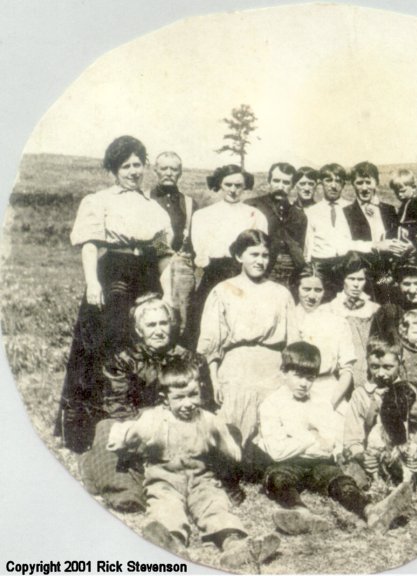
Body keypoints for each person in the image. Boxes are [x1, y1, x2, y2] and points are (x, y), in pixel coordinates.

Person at [55, 135, 173, 453]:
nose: (134, 171)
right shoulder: (100, 200)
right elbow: (91, 244)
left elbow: (164, 254)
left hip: (147, 273)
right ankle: (89, 428)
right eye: (126, 166)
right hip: (114, 274)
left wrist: (169, 292)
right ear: (113, 169)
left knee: (146, 342)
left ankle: (141, 420)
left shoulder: (153, 207)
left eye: (138, 164)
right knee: (106, 345)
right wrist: (93, 283)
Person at [106, 356, 280, 570]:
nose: (188, 403)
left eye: (193, 395)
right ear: (164, 398)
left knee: (215, 505)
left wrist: (227, 447)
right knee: (166, 508)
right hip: (165, 481)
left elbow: (232, 450)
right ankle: (172, 545)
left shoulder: (208, 420)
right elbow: (125, 435)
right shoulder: (153, 420)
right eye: (179, 398)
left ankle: (234, 545)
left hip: (201, 480)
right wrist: (120, 437)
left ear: (201, 390)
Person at [256, 342, 414, 535]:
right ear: (283, 372)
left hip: (319, 463)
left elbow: (330, 443)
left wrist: (300, 440)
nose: (304, 384)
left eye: (310, 378)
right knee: (277, 478)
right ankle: (301, 513)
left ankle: (372, 511)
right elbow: (277, 451)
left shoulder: (320, 402)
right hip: (287, 464)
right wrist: (311, 437)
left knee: (341, 481)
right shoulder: (271, 405)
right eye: (298, 376)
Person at [79, 295, 207, 513]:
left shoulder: (190, 359)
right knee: (106, 429)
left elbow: (202, 402)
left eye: (163, 323)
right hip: (136, 422)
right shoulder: (123, 360)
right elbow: (117, 404)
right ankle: (124, 491)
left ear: (171, 325)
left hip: (180, 422)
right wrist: (148, 424)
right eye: (151, 325)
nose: (158, 330)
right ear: (140, 331)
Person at [197, 229, 298, 447]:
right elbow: (211, 342)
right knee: (231, 440)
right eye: (254, 254)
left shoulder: (281, 293)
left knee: (271, 437)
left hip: (272, 369)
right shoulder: (223, 290)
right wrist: (215, 381)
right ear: (239, 256)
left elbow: (293, 343)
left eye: (265, 255)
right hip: (236, 370)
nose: (260, 261)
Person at [190, 165, 267, 343]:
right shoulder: (203, 215)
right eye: (228, 184)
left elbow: (261, 248)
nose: (233, 190)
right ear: (220, 184)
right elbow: (200, 250)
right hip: (214, 273)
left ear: (245, 186)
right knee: (205, 319)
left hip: (243, 273)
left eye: (238, 185)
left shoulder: (254, 215)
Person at [304, 163, 394, 298]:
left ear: (344, 184)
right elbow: (308, 246)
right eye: (328, 180)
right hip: (321, 269)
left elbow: (359, 237)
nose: (333, 186)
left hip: (347, 268)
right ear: (320, 183)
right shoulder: (311, 211)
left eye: (338, 181)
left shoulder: (350, 209)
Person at [293, 264, 356, 434]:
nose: (312, 296)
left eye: (318, 290)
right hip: (291, 391)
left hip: (328, 392)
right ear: (296, 287)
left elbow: (346, 370)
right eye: (306, 289)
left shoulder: (337, 323)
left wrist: (330, 403)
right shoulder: (287, 318)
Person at [150, 152, 198, 348]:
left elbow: (195, 236)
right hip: (150, 268)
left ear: (180, 173)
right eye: (164, 168)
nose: (168, 173)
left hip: (179, 270)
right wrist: (163, 252)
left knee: (179, 318)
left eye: (174, 169)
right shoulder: (145, 199)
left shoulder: (189, 202)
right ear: (155, 171)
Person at [342, 338, 402, 488]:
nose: (380, 373)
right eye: (374, 367)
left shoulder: (407, 393)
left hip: (399, 454)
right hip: (370, 453)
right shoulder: (360, 395)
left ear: (400, 364)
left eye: (388, 367)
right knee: (354, 478)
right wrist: (361, 455)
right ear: (368, 365)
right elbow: (352, 437)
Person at [343, 162, 406, 302]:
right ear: (353, 184)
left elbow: (397, 239)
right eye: (359, 183)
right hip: (362, 279)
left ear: (376, 182)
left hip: (387, 276)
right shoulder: (346, 213)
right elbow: (346, 245)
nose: (364, 188)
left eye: (368, 182)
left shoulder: (389, 210)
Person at [246, 162, 306, 286]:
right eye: (276, 181)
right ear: (269, 181)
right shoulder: (252, 206)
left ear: (292, 186)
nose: (280, 186)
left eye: (286, 182)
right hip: (259, 271)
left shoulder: (299, 215)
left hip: (289, 276)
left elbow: (301, 247)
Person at [327, 252, 380, 388]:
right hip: (340, 366)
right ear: (342, 279)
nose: (356, 284)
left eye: (360, 279)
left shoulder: (374, 309)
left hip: (366, 365)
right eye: (351, 279)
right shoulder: (331, 307)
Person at [389, 169, 417, 252]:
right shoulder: (406, 202)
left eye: (403, 191)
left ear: (413, 187)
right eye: (396, 192)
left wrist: (415, 233)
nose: (399, 195)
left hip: (415, 237)